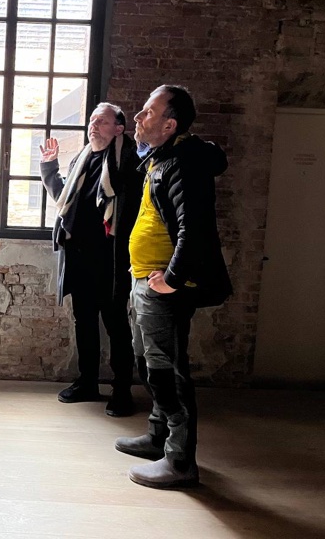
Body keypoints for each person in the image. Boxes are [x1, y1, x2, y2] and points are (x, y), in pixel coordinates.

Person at [115, 85, 232, 489]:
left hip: (163, 286)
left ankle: (180, 461)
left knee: (167, 371)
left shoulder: (183, 162)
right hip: (145, 278)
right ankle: (158, 437)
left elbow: (192, 229)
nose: (137, 117)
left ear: (170, 125)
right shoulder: (161, 157)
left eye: (148, 112)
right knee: (148, 361)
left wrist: (172, 280)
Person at [40, 103, 143, 416]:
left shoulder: (128, 160)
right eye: (92, 120)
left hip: (111, 259)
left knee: (115, 323)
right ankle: (87, 382)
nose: (93, 125)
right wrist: (49, 168)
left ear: (119, 129)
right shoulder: (81, 159)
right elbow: (65, 200)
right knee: (83, 321)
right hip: (79, 256)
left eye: (102, 121)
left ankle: (122, 390)